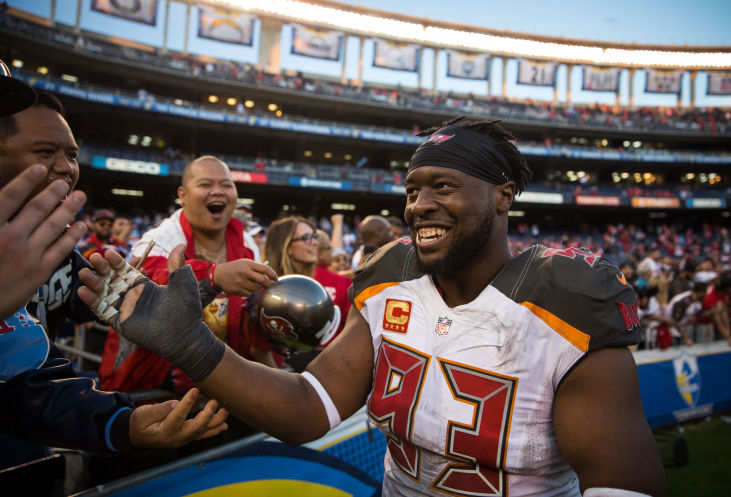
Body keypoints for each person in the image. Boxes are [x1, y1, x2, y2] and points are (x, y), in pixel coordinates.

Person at [79, 117, 666, 496]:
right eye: (413, 191)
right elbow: (310, 406)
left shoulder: (565, 301)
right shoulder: (391, 279)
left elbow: (623, 487)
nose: (420, 206)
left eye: (444, 186)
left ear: (503, 195)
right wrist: (194, 347)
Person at [0, 71, 228, 457]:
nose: (66, 168)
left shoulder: (53, 247)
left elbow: (26, 376)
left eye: (71, 155)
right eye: (44, 152)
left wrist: (119, 423)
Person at [99, 155, 279, 394]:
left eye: (226, 185)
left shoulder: (247, 245)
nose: (218, 192)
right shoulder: (158, 240)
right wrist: (213, 275)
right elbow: (150, 285)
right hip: (152, 390)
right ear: (182, 195)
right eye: (206, 185)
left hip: (223, 386)